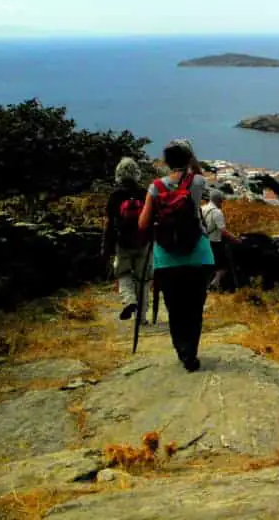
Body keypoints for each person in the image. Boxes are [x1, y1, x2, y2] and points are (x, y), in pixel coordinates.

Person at [138, 140, 214, 372]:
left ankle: (182, 349)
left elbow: (143, 224)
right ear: (188, 159)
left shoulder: (155, 187)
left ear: (166, 162)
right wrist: (193, 161)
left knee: (175, 308)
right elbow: (201, 177)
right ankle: (191, 351)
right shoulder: (197, 182)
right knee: (194, 307)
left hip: (167, 259)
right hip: (198, 255)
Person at [102, 157, 152, 323]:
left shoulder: (115, 196)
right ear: (137, 173)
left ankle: (130, 300)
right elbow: (152, 219)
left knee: (123, 274)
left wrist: (106, 248)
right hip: (143, 242)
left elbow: (109, 224)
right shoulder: (145, 194)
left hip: (123, 242)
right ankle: (142, 317)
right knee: (143, 279)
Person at [202, 189, 239, 291]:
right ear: (218, 200)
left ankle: (206, 285)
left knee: (206, 265)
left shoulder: (202, 209)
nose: (222, 203)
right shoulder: (217, 212)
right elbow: (223, 231)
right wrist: (235, 239)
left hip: (202, 242)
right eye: (221, 201)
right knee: (223, 266)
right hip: (215, 242)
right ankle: (215, 283)